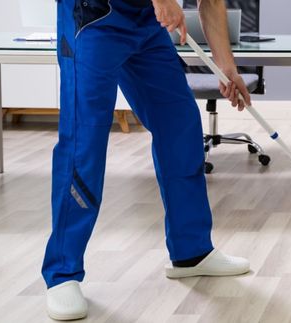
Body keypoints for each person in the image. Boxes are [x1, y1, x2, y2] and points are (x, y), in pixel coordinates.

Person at [42, 0, 252, 320]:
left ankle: (191, 251)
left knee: (179, 125)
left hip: (145, 23)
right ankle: (62, 274)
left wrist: (225, 67)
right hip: (93, 16)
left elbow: (211, 1)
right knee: (84, 139)